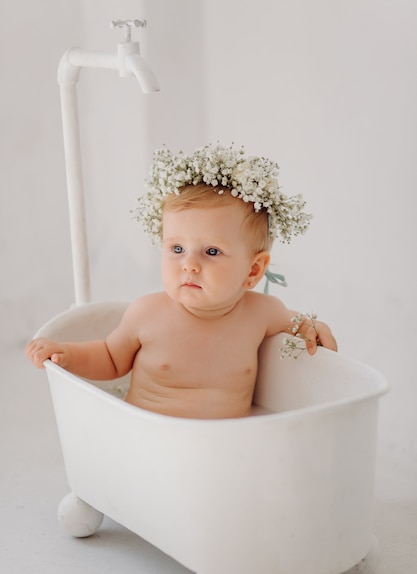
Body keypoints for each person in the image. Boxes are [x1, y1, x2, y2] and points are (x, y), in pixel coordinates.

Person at [26, 144, 337, 419]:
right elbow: (109, 358)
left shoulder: (263, 313)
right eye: (177, 249)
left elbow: (295, 323)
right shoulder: (146, 314)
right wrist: (67, 354)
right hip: (147, 436)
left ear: (253, 271)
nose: (189, 265)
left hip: (228, 445)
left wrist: (311, 326)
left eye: (212, 252)